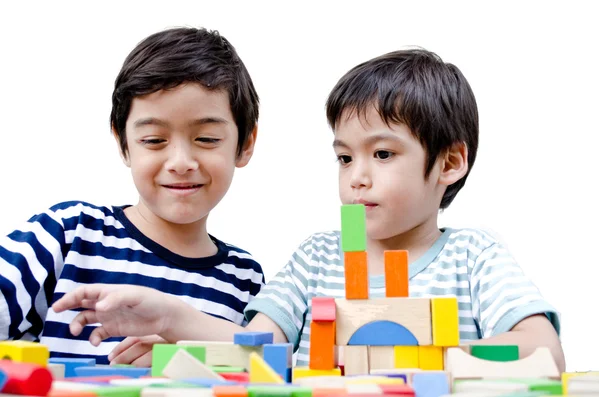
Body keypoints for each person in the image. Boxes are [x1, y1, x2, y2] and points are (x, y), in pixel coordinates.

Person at [53, 48, 565, 372]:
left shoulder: (474, 257)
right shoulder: (317, 259)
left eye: (382, 154)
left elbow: (543, 350)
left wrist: (428, 360)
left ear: (450, 162)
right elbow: (258, 351)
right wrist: (170, 317)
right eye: (344, 157)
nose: (356, 175)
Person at [0, 26, 265, 364]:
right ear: (123, 143)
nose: (181, 163)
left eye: (207, 139)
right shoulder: (67, 233)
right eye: (154, 140)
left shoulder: (245, 279)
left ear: (245, 144)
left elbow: (263, 367)